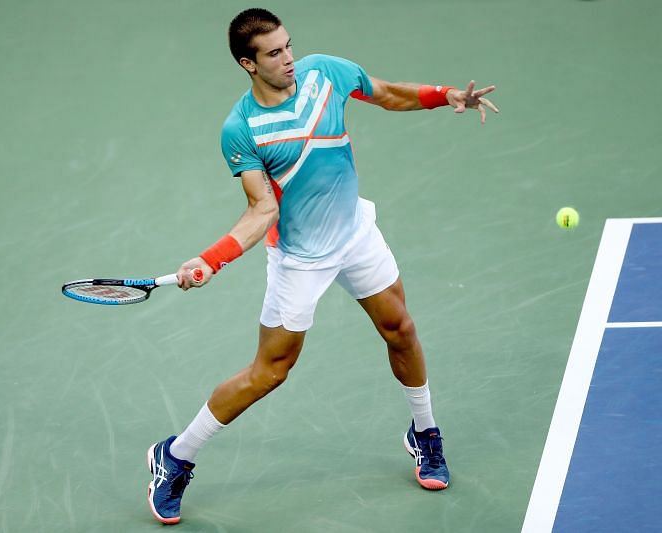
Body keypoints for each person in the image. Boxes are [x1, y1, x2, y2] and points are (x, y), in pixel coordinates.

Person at [146, 8, 498, 525]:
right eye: (273, 53)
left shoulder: (325, 73)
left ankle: (424, 433)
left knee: (400, 328)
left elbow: (387, 92)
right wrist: (211, 259)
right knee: (270, 372)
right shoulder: (242, 129)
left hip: (355, 234)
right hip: (300, 259)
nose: (288, 58)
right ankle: (175, 455)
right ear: (248, 63)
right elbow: (261, 208)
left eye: (288, 46)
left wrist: (444, 95)